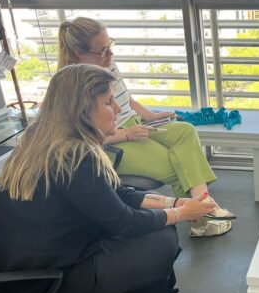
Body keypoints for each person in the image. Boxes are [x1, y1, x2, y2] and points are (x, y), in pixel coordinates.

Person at [0, 64, 216, 293]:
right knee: (159, 239)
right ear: (82, 110)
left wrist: (174, 202)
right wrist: (179, 214)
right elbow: (125, 222)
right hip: (41, 284)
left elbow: (116, 194)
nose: (117, 109)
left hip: (18, 272)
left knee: (153, 225)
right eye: (108, 102)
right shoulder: (75, 156)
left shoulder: (45, 142)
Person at [58, 17, 234, 237]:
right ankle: (202, 221)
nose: (110, 55)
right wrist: (125, 134)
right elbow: (81, 137)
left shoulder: (107, 65)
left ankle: (205, 206)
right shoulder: (73, 86)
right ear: (79, 54)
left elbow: (128, 101)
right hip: (112, 142)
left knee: (185, 131)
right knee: (178, 165)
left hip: (134, 125)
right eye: (102, 51)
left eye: (110, 46)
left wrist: (153, 116)